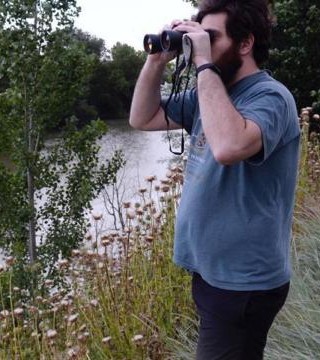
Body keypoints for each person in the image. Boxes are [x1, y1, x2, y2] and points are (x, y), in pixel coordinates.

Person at [128, 1, 300, 359]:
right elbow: (142, 118)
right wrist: (157, 58)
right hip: (213, 274)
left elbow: (228, 146)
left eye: (211, 37)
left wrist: (204, 64)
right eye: (198, 36)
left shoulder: (271, 97)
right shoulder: (209, 96)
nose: (200, 46)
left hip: (244, 282)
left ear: (245, 43)